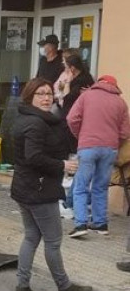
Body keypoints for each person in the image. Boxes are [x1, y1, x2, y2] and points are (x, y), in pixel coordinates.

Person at [10, 77, 92, 291]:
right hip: (39, 190)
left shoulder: (27, 117)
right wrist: (62, 165)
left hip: (25, 187)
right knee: (53, 241)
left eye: (49, 93)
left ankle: (22, 284)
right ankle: (64, 286)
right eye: (41, 94)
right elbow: (34, 156)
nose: (46, 98)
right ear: (30, 96)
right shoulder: (36, 123)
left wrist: (64, 97)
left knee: (31, 237)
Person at [66, 75, 130, 238]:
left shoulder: (86, 96)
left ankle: (80, 224)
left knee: (81, 186)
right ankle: (101, 224)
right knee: (100, 186)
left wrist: (80, 135)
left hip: (88, 147)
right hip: (110, 149)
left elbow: (71, 118)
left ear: (99, 82)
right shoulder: (120, 102)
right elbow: (125, 131)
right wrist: (115, 141)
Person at [57, 55, 94, 219]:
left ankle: (70, 202)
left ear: (72, 67)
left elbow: (66, 99)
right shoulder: (86, 79)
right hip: (77, 126)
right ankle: (72, 200)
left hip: (74, 126)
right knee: (77, 163)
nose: (64, 68)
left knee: (75, 162)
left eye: (66, 65)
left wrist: (67, 84)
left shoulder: (80, 81)